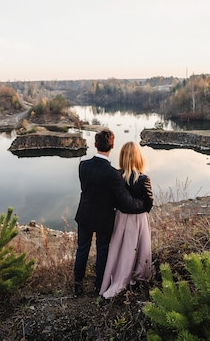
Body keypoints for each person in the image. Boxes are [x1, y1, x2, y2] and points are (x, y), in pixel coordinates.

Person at [73, 128, 146, 296]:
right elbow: (125, 202)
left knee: (82, 249)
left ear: (95, 144)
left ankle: (78, 284)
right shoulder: (113, 174)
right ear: (112, 146)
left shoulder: (83, 165)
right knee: (102, 251)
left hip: (84, 215)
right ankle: (99, 286)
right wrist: (143, 204)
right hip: (103, 219)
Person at [99, 141, 154, 299]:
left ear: (123, 157)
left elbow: (112, 199)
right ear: (139, 158)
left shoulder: (116, 176)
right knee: (139, 248)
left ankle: (118, 274)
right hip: (139, 219)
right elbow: (150, 202)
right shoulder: (144, 179)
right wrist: (141, 208)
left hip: (121, 217)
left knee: (120, 249)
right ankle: (137, 275)